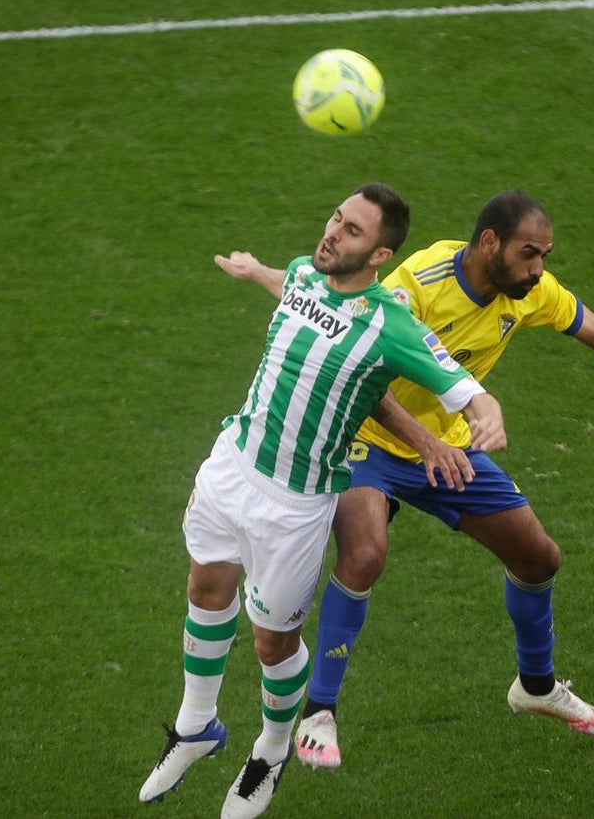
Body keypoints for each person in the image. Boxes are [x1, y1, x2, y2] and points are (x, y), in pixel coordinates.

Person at [220, 190, 594, 769]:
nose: (539, 270)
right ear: (489, 243)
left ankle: (536, 686)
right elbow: (354, 354)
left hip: (446, 450)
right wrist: (424, 440)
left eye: (545, 256)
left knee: (538, 558)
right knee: (365, 554)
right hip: (369, 440)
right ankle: (320, 712)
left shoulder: (527, 293)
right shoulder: (418, 284)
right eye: (530, 254)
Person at [138, 182, 507, 819]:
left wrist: (485, 415)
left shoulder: (393, 324)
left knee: (271, 644)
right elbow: (293, 286)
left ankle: (272, 750)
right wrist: (256, 270)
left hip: (296, 506)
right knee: (205, 590)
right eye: (337, 219)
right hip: (232, 464)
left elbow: (463, 386)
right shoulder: (310, 272)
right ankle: (196, 727)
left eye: (353, 231)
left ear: (381, 255)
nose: (333, 233)